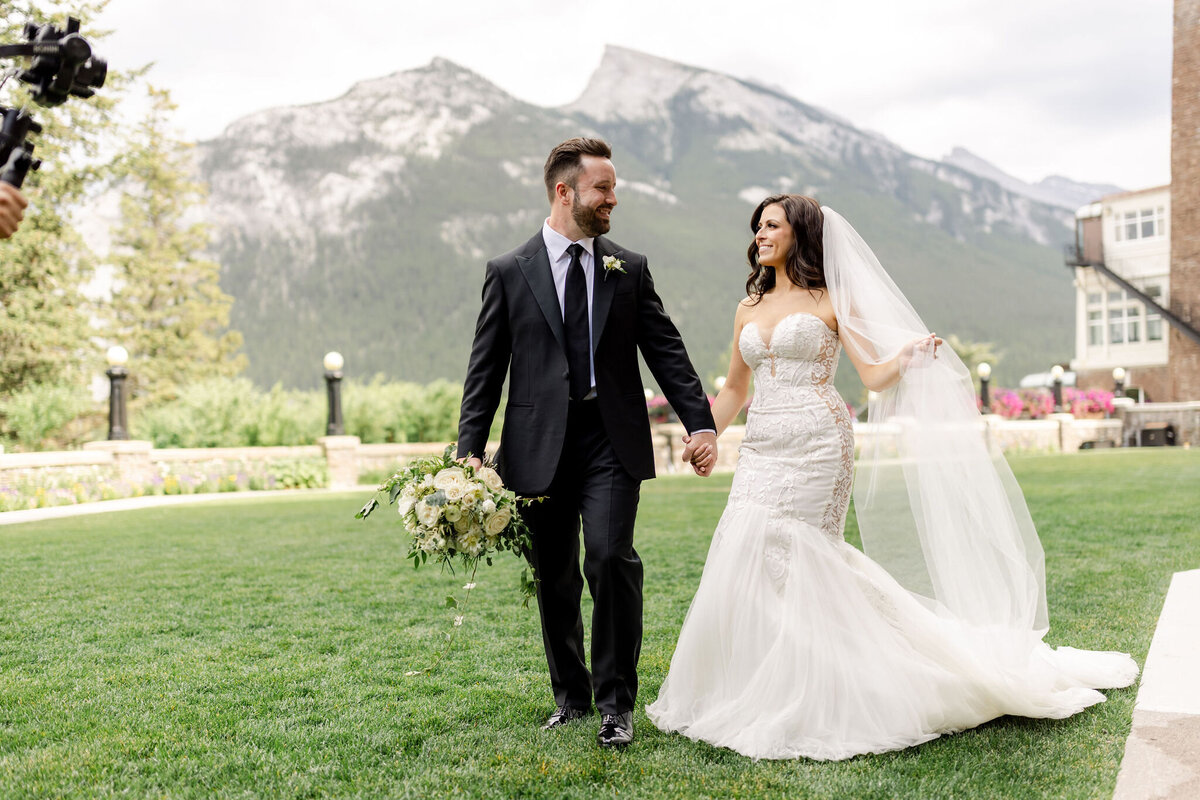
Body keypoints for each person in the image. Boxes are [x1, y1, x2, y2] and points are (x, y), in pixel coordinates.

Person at [649, 195, 1138, 761]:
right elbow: (735, 387)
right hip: (763, 445)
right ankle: (747, 682)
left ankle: (828, 683)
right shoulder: (746, 308)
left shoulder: (832, 298)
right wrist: (707, 432)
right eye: (758, 226)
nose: (760, 234)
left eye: (773, 225)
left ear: (800, 235)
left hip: (818, 441)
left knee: (804, 552)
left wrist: (906, 358)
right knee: (747, 544)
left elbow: (872, 377)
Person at [457, 137, 717, 749]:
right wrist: (469, 450)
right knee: (555, 576)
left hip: (611, 438)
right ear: (564, 191)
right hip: (534, 445)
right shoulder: (507, 271)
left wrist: (699, 422)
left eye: (613, 188)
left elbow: (665, 349)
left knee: (608, 557)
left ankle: (615, 703)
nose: (613, 199)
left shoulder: (629, 267)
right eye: (603, 189)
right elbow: (484, 369)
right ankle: (570, 698)